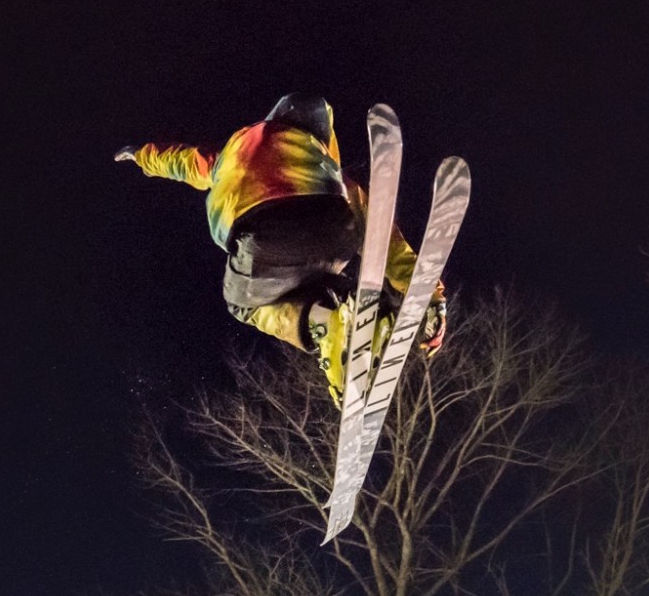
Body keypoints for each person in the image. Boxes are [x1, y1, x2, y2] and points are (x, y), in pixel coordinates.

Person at [117, 95, 446, 399]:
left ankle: (325, 323)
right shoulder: (327, 168)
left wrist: (140, 154)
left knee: (242, 303)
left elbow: (182, 161)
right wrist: (428, 294)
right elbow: (380, 236)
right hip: (334, 227)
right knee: (334, 288)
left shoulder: (233, 153)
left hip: (264, 239)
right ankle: (371, 317)